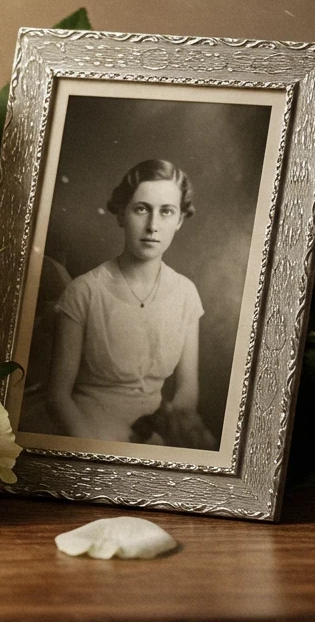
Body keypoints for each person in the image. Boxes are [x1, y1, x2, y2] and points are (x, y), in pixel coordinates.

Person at [48, 159, 214, 448]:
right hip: (86, 429)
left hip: (152, 435)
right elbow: (57, 397)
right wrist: (92, 446)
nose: (152, 226)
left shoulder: (186, 294)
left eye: (166, 212)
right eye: (141, 209)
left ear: (179, 220)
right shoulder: (84, 291)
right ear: (122, 214)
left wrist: (165, 427)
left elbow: (187, 390)